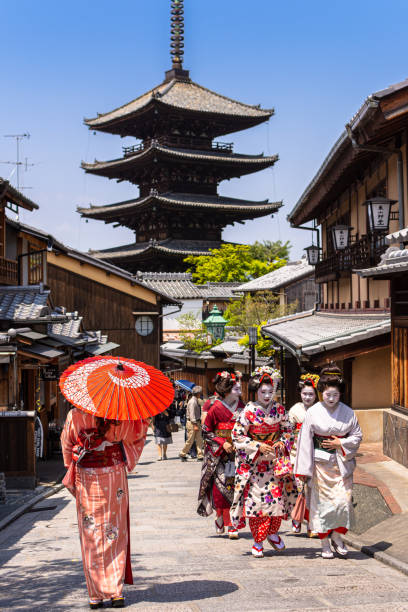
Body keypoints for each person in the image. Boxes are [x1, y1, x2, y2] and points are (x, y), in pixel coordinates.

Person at [61, 408, 147, 609]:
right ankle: (115, 592)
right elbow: (136, 433)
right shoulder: (120, 413)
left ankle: (95, 594)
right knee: (114, 531)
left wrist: (71, 461)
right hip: (113, 473)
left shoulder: (75, 415)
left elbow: (67, 445)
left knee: (90, 534)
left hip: (86, 475)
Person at [295, 363, 363, 559]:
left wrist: (341, 442)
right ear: (321, 392)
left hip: (341, 464)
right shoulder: (313, 412)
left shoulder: (348, 412)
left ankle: (337, 536)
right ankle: (324, 543)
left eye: (335, 395)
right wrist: (303, 469)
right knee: (322, 505)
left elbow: (357, 436)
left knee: (343, 502)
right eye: (327, 395)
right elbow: (305, 442)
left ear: (340, 393)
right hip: (319, 465)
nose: (331, 399)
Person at [231, 366, 297, 558]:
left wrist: (280, 443)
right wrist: (256, 446)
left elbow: (288, 431)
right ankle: (258, 541)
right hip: (254, 465)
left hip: (273, 463)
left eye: (270, 391)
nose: (267, 395)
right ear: (256, 391)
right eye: (263, 392)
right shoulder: (249, 411)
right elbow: (237, 436)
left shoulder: (280, 410)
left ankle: (273, 532)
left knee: (277, 501)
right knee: (256, 504)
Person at [197, 371, 244, 539]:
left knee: (237, 488)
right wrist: (221, 442)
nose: (238, 387)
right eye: (234, 385)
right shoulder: (215, 407)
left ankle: (232, 523)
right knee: (220, 489)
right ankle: (219, 517)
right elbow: (206, 431)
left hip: (238, 452)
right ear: (225, 389)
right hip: (219, 454)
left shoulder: (242, 407)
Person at [288, 373, 319, 534]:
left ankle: (311, 524)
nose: (307, 397)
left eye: (311, 394)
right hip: (297, 454)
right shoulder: (295, 410)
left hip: (315, 454)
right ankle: (296, 518)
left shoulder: (321, 410)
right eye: (304, 394)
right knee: (298, 488)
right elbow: (288, 432)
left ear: (316, 394)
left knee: (312, 490)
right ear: (300, 394)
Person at [179, 386, 204, 461]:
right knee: (190, 440)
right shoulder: (192, 402)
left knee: (199, 439)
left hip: (197, 422)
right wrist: (195, 424)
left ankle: (200, 455)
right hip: (193, 423)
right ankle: (182, 453)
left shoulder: (195, 400)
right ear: (198, 393)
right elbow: (192, 414)